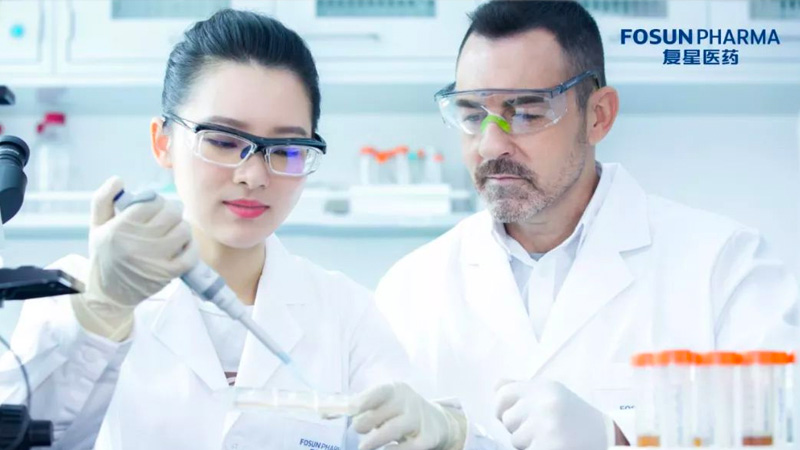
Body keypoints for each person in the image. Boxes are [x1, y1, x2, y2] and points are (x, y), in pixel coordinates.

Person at [0, 10, 474, 450]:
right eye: (224, 141)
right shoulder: (73, 293)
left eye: (286, 150)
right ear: (163, 143)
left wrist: (446, 433)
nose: (254, 175)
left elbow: (406, 431)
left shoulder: (345, 314)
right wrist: (102, 311)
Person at [374, 1, 798, 449]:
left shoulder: (724, 267)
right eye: (473, 115)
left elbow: (785, 432)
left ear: (598, 116)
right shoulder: (410, 289)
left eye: (526, 112)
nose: (491, 144)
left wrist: (618, 438)